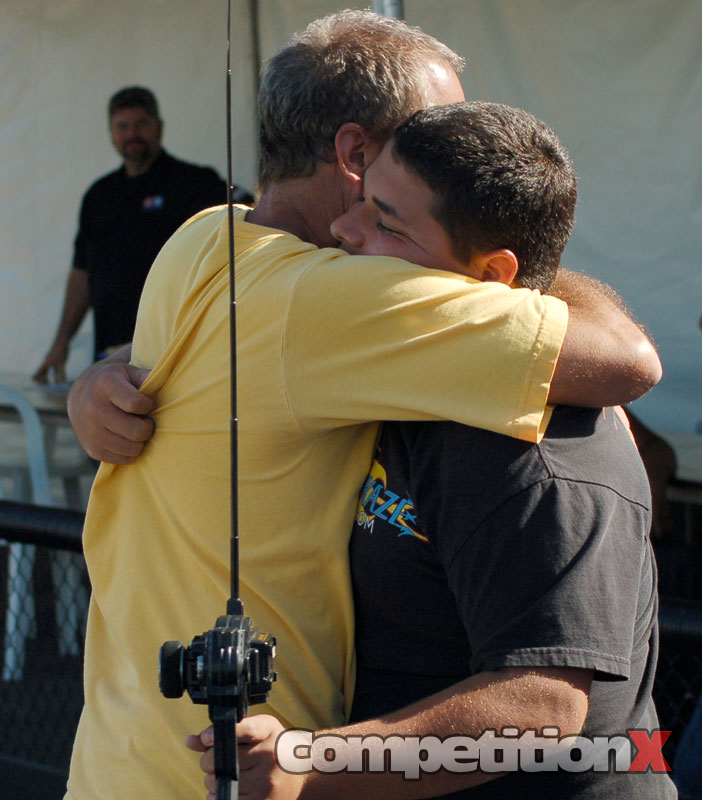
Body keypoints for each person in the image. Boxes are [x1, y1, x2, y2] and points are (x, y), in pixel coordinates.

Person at [63, 11, 660, 800]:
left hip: (120, 760)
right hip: (210, 779)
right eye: (431, 133)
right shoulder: (334, 299)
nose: (458, 146)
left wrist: (92, 383)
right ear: (354, 154)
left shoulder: (204, 237)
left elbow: (546, 704)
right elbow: (627, 356)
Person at [187, 103, 675, 798]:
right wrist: (106, 383)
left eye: (388, 223)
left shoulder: (539, 455)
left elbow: (541, 707)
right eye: (361, 198)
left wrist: (314, 763)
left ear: (494, 274)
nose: (344, 228)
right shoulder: (412, 365)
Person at [33, 86, 251, 382]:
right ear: (111, 134)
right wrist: (61, 342)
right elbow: (82, 273)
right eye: (122, 126)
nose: (132, 134)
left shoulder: (196, 184)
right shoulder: (98, 196)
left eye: (141, 124)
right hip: (111, 357)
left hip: (177, 356)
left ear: (159, 127)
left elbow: (250, 222)